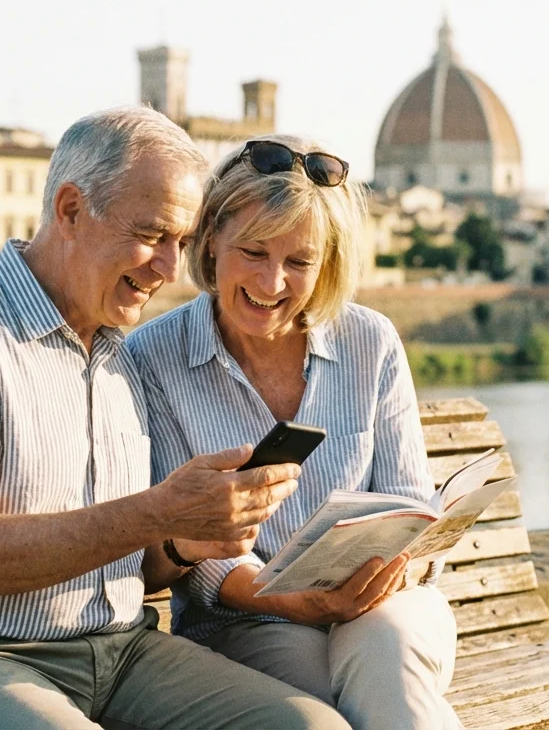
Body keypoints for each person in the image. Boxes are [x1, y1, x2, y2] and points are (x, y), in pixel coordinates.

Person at [0, 109, 351, 730]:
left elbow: (128, 560)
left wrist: (180, 541)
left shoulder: (121, 353)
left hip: (122, 653)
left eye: (182, 241)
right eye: (153, 235)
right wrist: (160, 510)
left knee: (313, 728)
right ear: (70, 210)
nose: (171, 269)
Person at [127, 135, 462, 729]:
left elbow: (412, 501)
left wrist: (392, 572)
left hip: (387, 602)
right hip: (247, 620)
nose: (273, 282)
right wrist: (295, 602)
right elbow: (192, 547)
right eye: (253, 251)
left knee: (384, 645)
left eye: (299, 262)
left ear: (326, 265)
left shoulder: (371, 341)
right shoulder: (155, 357)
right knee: (320, 702)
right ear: (210, 243)